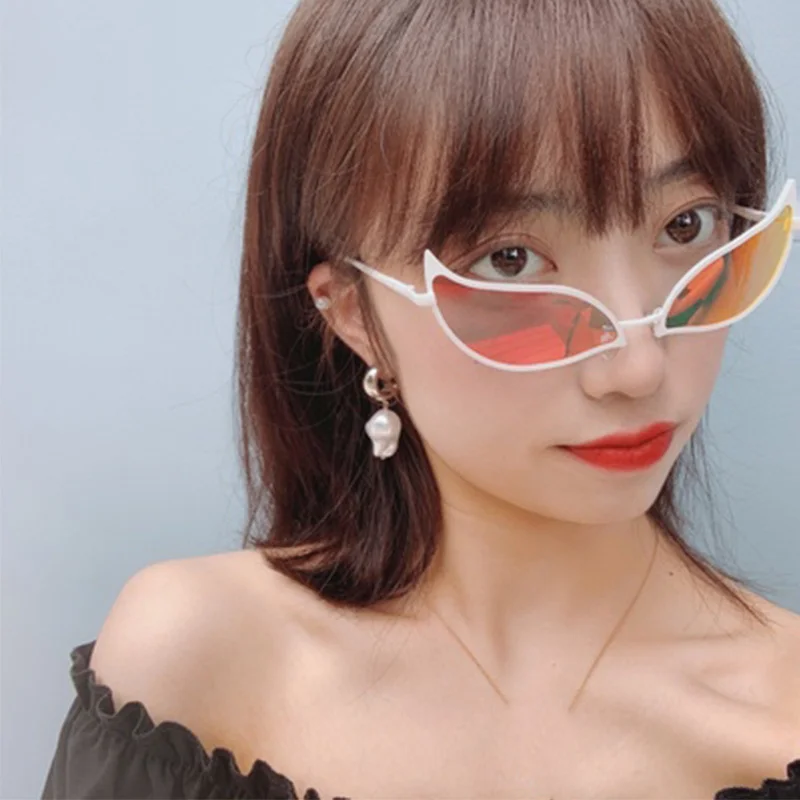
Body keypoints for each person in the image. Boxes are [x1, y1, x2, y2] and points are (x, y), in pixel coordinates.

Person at [42, 0, 800, 798]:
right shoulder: (196, 667)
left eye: (686, 225)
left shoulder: (780, 717)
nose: (638, 368)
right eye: (511, 260)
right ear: (353, 314)